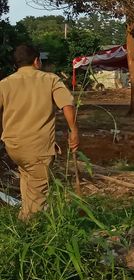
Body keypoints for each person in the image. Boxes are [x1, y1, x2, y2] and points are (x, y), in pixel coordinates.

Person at [0, 45, 79, 220]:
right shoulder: (49, 79)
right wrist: (73, 131)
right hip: (37, 147)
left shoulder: (4, 84)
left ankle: (24, 217)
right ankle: (32, 229)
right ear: (37, 60)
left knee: (27, 179)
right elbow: (67, 104)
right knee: (38, 192)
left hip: (14, 147)